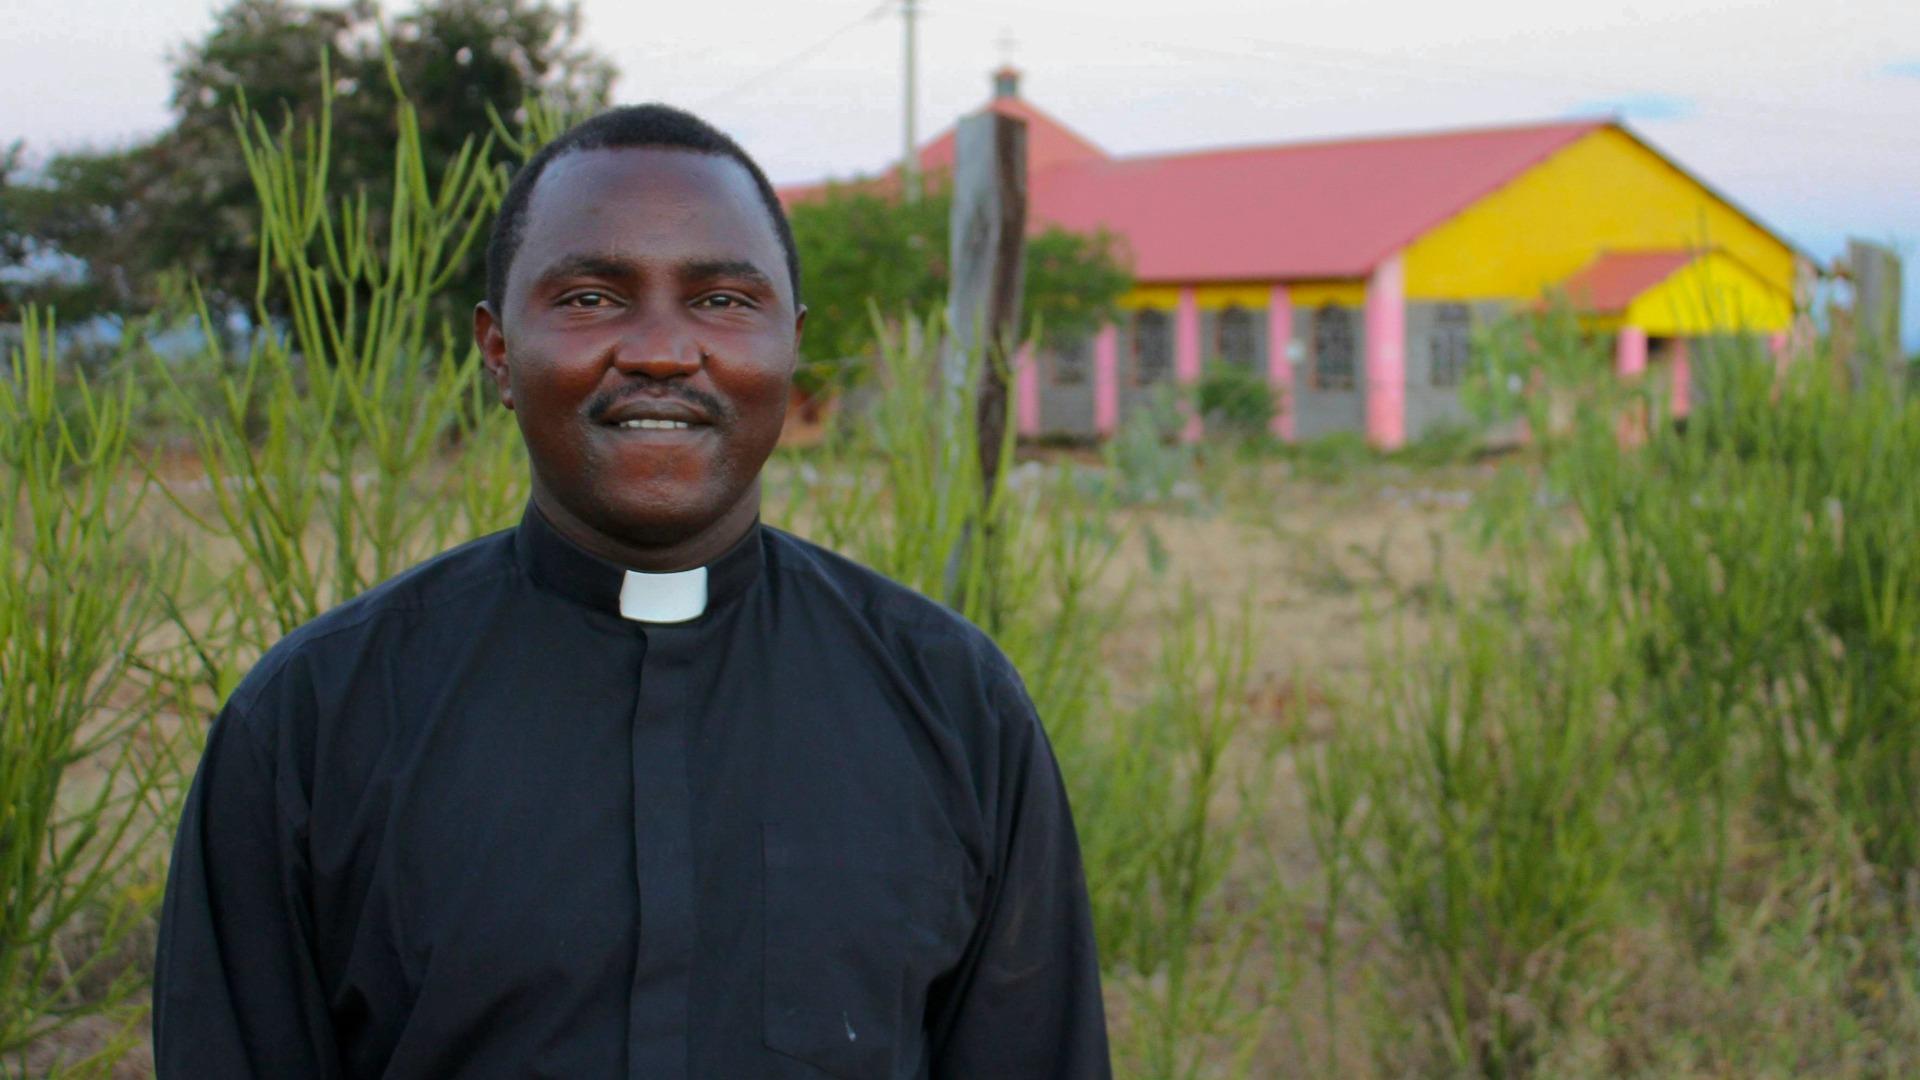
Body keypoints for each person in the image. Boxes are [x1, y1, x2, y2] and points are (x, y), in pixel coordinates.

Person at [152, 104, 1111, 1078]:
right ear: (496, 350)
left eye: (724, 301)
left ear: (792, 345)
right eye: (591, 298)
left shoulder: (953, 705)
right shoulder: (314, 721)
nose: (661, 350)